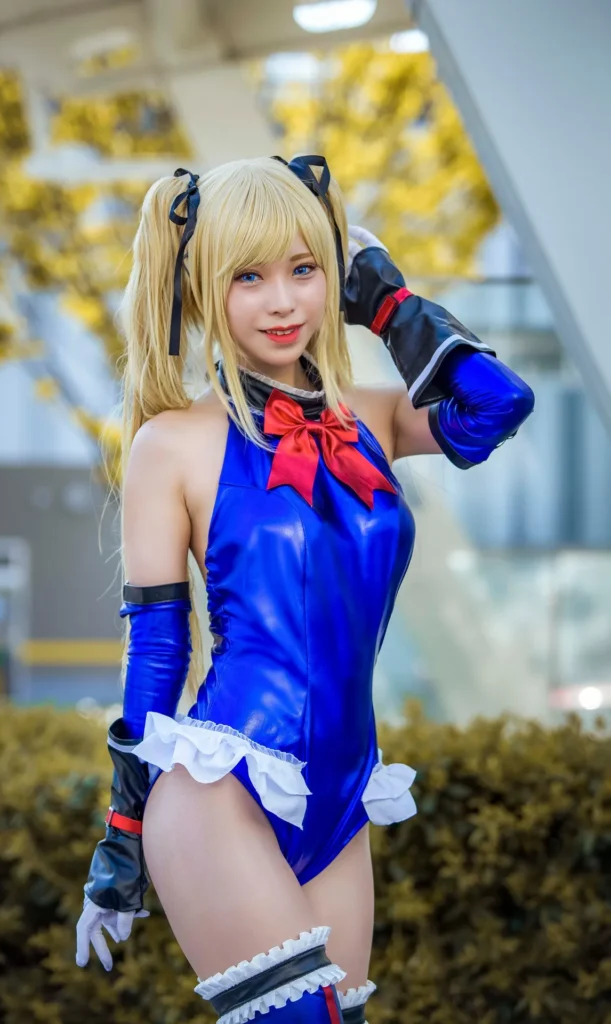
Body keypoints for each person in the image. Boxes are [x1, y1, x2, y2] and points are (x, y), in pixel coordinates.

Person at [75, 155, 535, 1023]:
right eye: (247, 277)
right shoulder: (171, 443)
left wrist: (385, 298)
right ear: (203, 288)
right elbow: (159, 649)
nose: (282, 301)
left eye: (303, 268)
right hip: (220, 791)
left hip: (340, 791)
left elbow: (497, 405)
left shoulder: (372, 416)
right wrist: (122, 838)